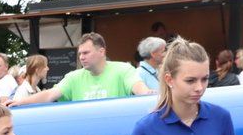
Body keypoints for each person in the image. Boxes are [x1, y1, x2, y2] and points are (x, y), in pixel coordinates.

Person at [14, 33, 152, 106]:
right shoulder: (73, 77)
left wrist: (147, 93)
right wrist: (19, 102)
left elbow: (137, 86)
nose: (81, 57)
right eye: (80, 53)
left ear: (101, 51)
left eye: (86, 53)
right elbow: (49, 95)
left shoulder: (123, 69)